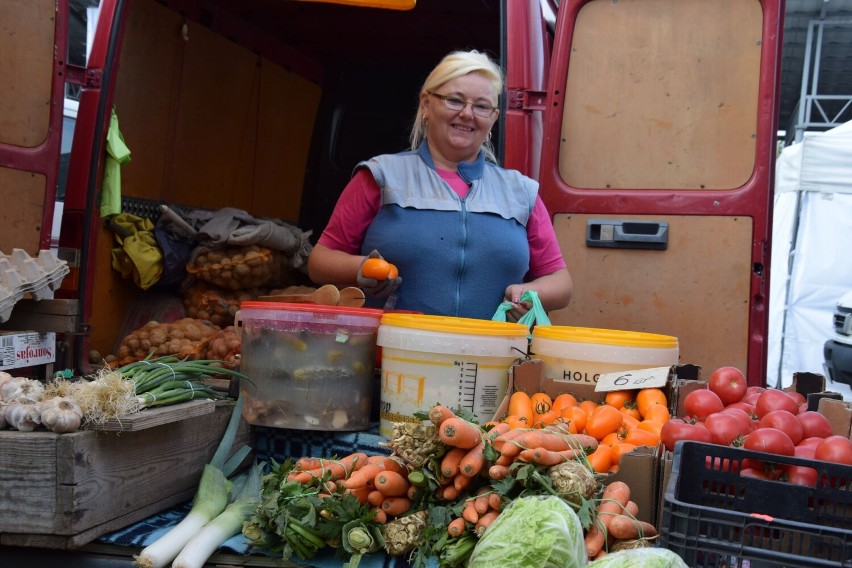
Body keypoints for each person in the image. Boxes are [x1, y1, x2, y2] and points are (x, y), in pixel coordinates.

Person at [308, 49, 572, 321]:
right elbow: (320, 261)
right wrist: (362, 267)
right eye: (454, 101)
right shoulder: (379, 176)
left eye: (481, 106)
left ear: (493, 117)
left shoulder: (520, 191)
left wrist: (529, 294)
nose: (467, 114)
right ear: (426, 104)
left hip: (494, 355)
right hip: (394, 353)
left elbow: (560, 282)